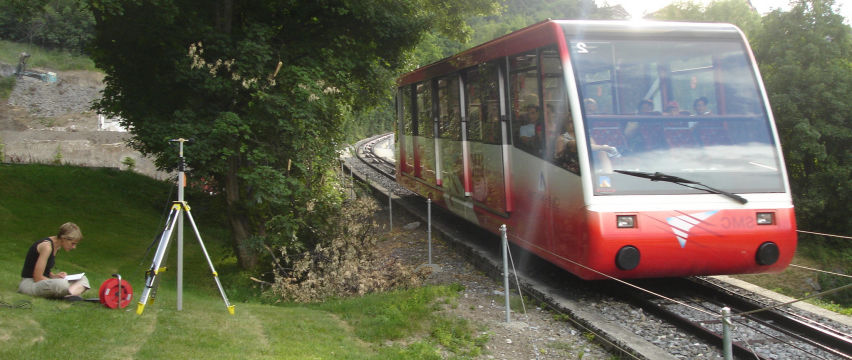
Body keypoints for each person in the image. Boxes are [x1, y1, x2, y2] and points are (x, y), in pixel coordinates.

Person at [18, 222, 90, 301]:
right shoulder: (47, 247)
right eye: (72, 243)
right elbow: (37, 277)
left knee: (83, 279)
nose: (74, 247)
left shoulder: (57, 246)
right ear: (64, 238)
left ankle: (68, 295)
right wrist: (56, 281)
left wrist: (55, 276)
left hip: (43, 282)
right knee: (62, 284)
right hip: (29, 284)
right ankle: (68, 294)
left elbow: (44, 270)